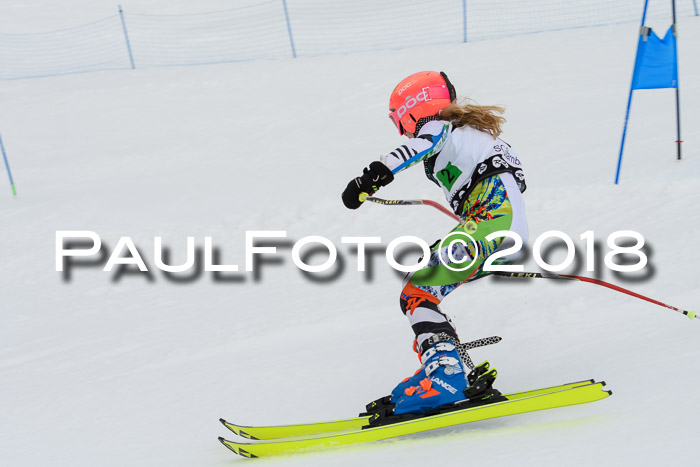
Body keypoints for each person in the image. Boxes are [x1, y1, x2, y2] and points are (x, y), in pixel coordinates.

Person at [341, 71, 528, 418]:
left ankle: (446, 376)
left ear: (413, 109)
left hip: (489, 227)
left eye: (400, 120)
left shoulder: (442, 127)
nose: (404, 129)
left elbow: (419, 145)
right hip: (493, 228)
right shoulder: (475, 136)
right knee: (421, 283)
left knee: (418, 292)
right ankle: (441, 364)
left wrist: (371, 177)